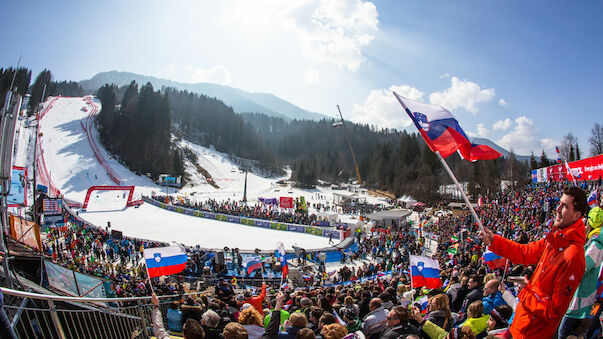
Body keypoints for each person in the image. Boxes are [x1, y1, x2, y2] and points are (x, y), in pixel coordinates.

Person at [480, 186, 588, 339]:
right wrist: (494, 241)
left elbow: (554, 312)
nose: (557, 209)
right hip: (520, 325)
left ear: (577, 215)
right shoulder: (555, 239)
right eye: (559, 203)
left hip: (531, 333)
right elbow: (525, 253)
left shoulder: (573, 256)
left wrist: (528, 292)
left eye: (565, 206)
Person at [558, 206, 603, 339]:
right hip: (582, 297)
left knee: (563, 333)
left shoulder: (596, 244)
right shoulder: (594, 240)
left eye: (588, 219)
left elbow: (582, 267)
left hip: (581, 300)